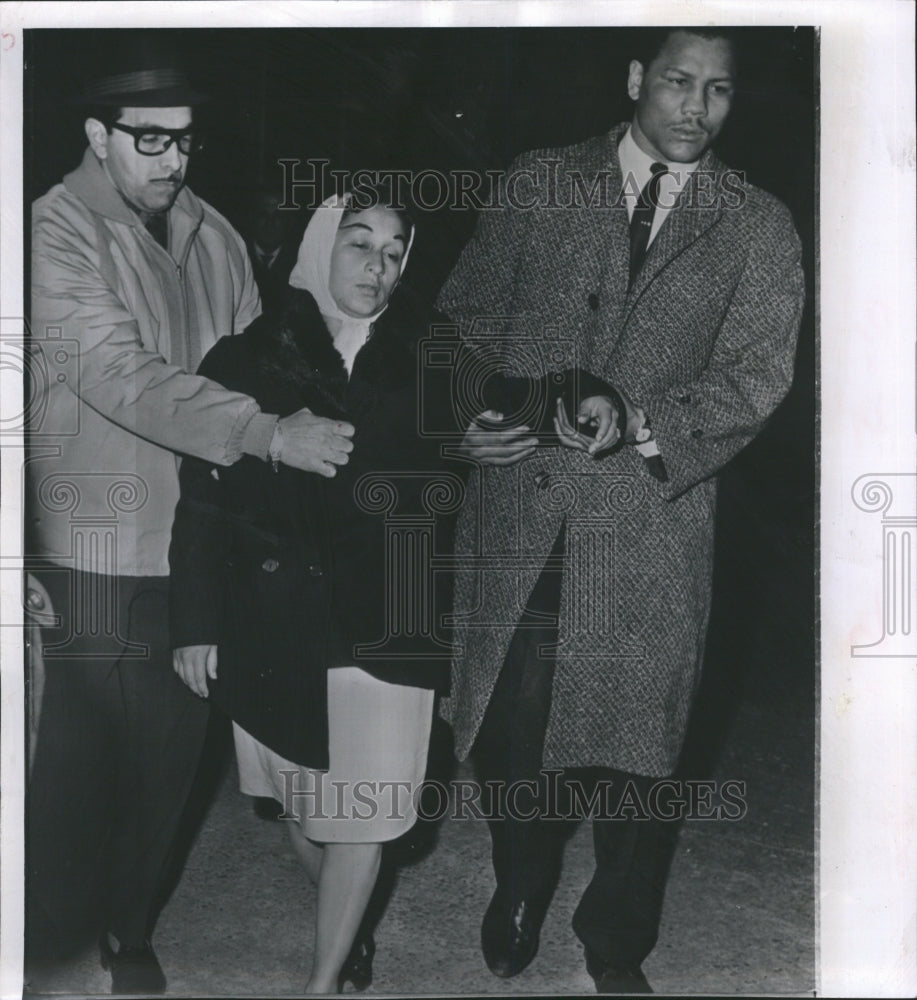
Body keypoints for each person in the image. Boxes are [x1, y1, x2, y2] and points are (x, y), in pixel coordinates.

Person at [435, 27, 806, 994]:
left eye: (718, 91)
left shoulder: (757, 225)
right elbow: (461, 321)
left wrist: (643, 417)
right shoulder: (537, 179)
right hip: (523, 506)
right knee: (516, 724)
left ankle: (615, 936)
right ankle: (520, 881)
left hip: (652, 518)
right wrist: (466, 420)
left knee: (639, 755)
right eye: (679, 81)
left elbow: (757, 376)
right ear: (637, 78)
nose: (696, 106)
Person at [25, 39, 354, 995]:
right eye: (151, 141)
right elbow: (117, 375)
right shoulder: (50, 231)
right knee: (74, 770)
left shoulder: (210, 233)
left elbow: (261, 362)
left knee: (170, 764)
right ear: (98, 134)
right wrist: (264, 432)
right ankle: (45, 950)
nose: (174, 160)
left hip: (195, 545)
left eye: (187, 142)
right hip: (89, 543)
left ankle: (129, 931)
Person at [169, 189, 450, 994]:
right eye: (359, 242)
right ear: (318, 247)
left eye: (395, 251)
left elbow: (492, 424)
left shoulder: (429, 357)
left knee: (364, 814)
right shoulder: (242, 360)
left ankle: (322, 982)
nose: (378, 265)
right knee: (299, 808)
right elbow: (203, 502)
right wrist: (195, 622)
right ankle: (349, 920)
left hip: (385, 620)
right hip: (273, 618)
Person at [243, 186, 301, 316]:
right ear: (252, 217)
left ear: (289, 222)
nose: (270, 224)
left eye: (279, 217)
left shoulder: (302, 264)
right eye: (263, 215)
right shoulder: (236, 256)